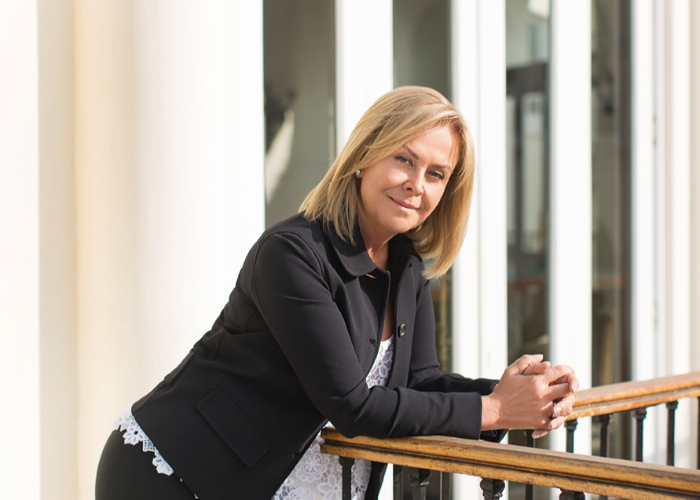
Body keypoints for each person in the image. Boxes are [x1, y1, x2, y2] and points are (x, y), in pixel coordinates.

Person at [95, 86, 577, 500]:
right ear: (364, 157)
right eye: (404, 159)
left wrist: (518, 394)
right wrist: (494, 410)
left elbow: (420, 384)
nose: (416, 184)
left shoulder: (408, 267)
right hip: (177, 470)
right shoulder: (291, 255)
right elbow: (351, 405)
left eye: (436, 173)